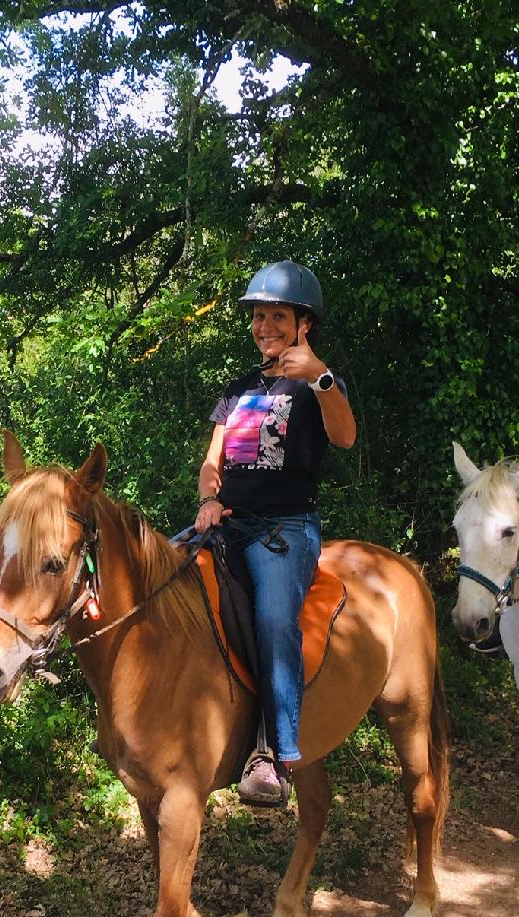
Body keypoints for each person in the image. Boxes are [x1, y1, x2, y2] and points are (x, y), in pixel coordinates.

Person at [195, 261, 357, 805]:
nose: (265, 325)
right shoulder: (238, 388)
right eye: (259, 315)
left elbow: (345, 437)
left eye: (277, 316)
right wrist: (210, 498)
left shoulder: (317, 384)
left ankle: (275, 756)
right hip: (230, 524)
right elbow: (212, 462)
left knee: (271, 619)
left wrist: (320, 375)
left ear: (302, 323)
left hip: (285, 530)